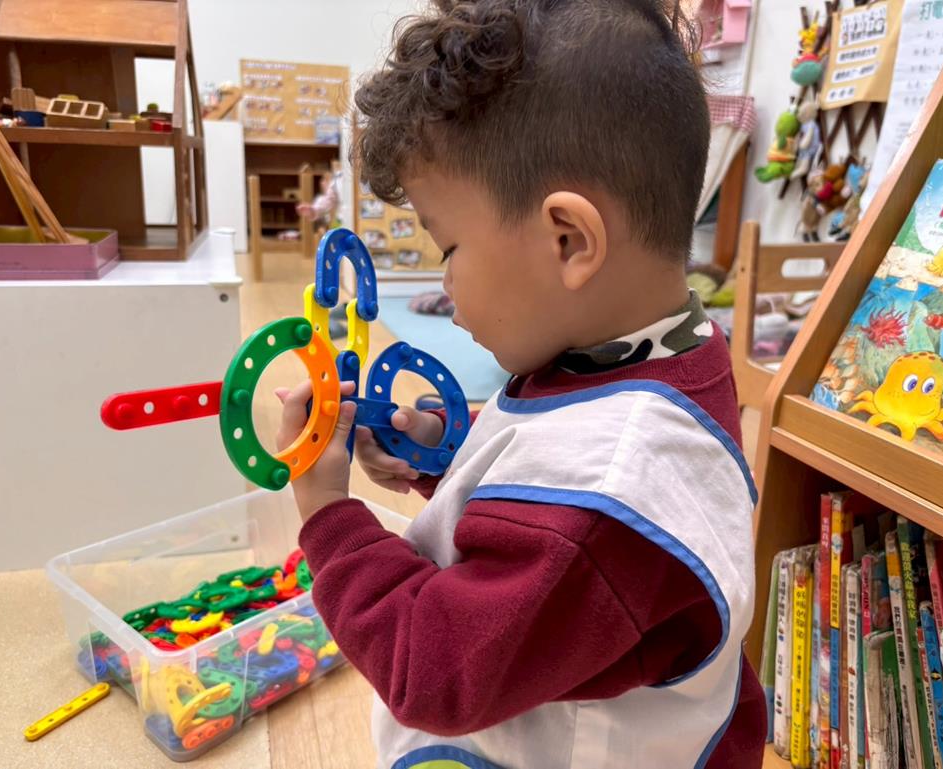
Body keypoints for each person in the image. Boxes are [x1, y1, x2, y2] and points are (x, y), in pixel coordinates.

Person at [274, 0, 766, 766]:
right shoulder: (651, 343)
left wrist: (328, 517)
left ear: (568, 241)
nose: (445, 283)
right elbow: (551, 453)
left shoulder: (610, 498)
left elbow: (431, 667)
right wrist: (443, 450)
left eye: (449, 248)